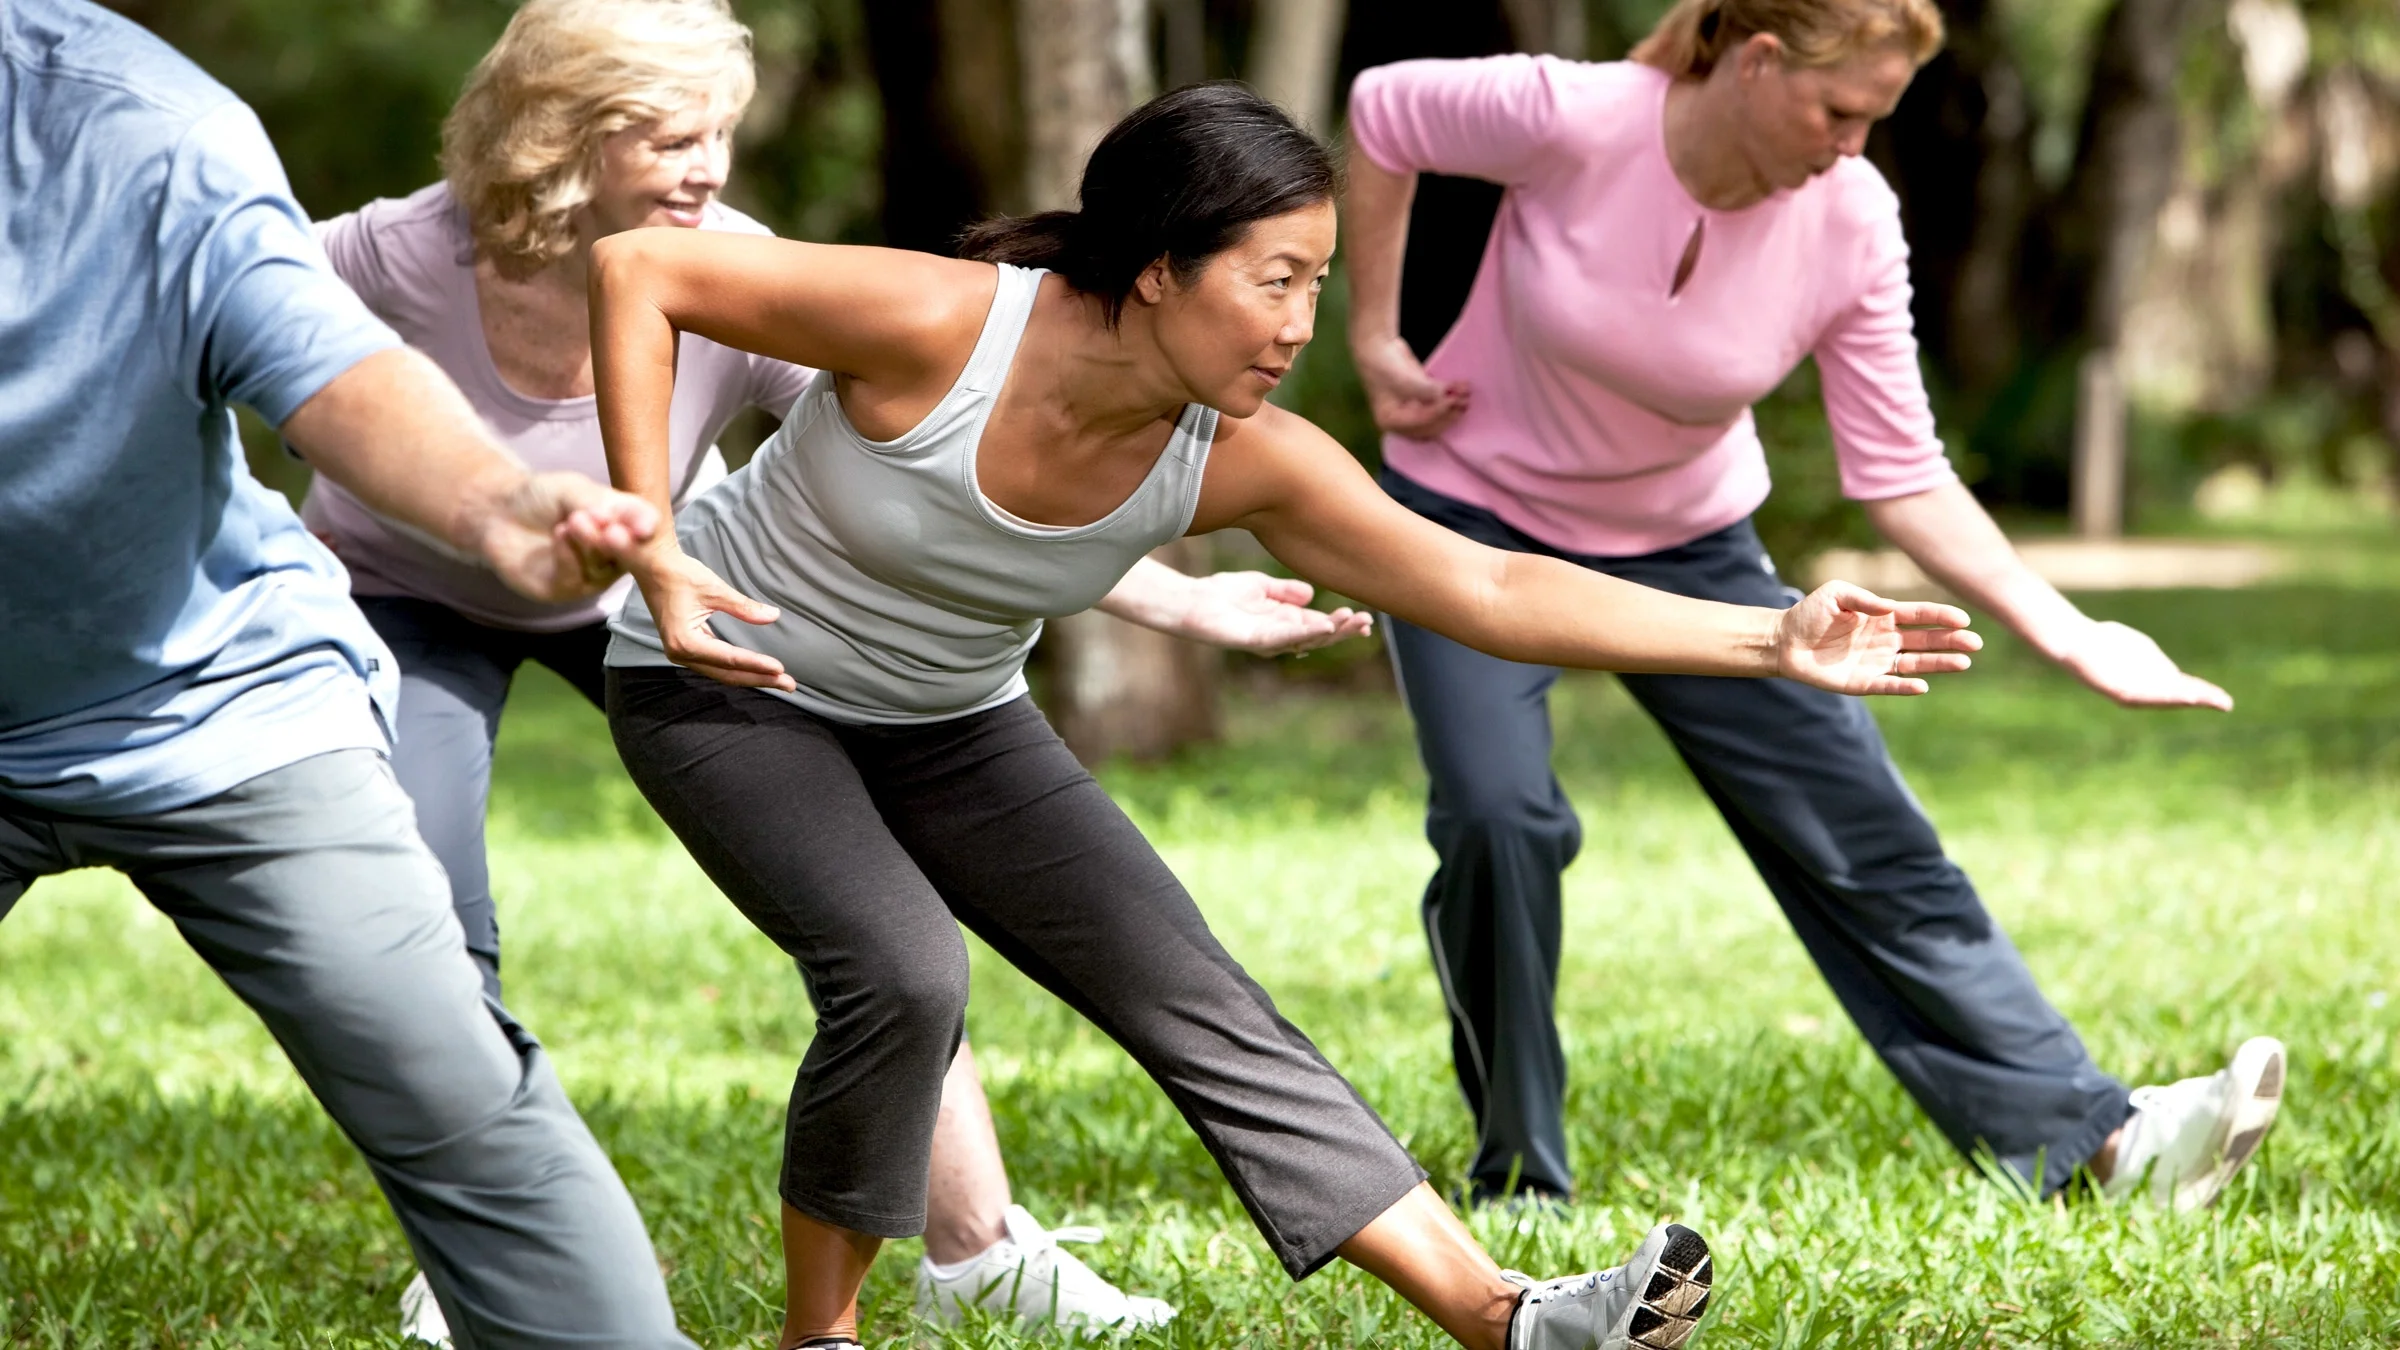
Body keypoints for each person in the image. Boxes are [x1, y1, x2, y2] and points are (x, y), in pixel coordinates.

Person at [584, 81, 1980, 1350]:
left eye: (1317, 280)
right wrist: (655, 540)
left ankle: (1502, 1318)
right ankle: (816, 1337)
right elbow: (641, 268)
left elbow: (1485, 583)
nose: (1303, 324)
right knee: (904, 970)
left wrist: (1766, 636)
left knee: (1193, 987)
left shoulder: (1238, 460)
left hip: (952, 715)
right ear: (1157, 268)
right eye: (1276, 280)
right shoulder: (939, 323)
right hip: (725, 680)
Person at [301, 3, 1360, 1339]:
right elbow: (220, 342)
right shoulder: (391, 255)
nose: (708, 168)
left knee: (884, 929)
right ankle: (485, 1254)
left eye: (723, 135)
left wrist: (1178, 600)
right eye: (672, 135)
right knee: (432, 913)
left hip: (658, 585)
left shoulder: (733, 265)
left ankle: (974, 1246)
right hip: (409, 593)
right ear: (552, 133)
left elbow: (931, 492)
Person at [1340, 0, 2284, 1214]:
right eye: (1839, 112)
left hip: (1689, 542)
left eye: (1875, 120)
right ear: (1756, 57)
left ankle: (2103, 1143)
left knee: (1860, 826)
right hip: (1465, 520)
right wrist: (1372, 331)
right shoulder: (1577, 116)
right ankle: (1522, 1176)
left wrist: (2073, 630)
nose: (1853, 145)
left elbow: (1899, 471)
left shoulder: (1850, 219)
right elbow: (1381, 115)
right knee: (1496, 818)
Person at [0, 1, 698, 1344]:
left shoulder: (145, 131)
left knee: (463, 1108)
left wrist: (503, 506)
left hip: (210, 711)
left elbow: (333, 364)